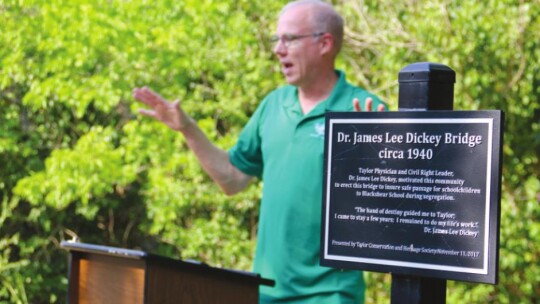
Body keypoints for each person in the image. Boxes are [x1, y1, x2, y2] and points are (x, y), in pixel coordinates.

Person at [133, 0, 387, 303]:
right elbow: (232, 179)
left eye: (289, 39)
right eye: (276, 39)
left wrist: (377, 162)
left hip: (330, 295)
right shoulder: (273, 105)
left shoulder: (363, 111)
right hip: (266, 292)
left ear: (325, 44)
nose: (278, 49)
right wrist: (187, 126)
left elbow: (387, 214)